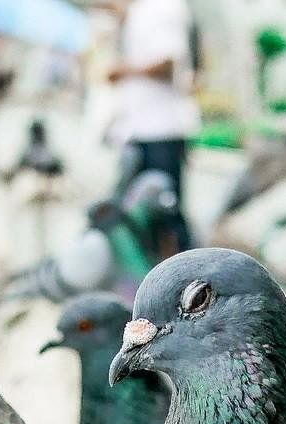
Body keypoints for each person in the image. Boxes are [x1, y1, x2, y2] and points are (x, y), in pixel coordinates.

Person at [108, 0, 199, 253]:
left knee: (168, 212)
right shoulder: (138, 12)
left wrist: (123, 70)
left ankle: (186, 276)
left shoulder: (163, 7)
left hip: (161, 130)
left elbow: (168, 63)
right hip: (140, 130)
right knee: (142, 214)